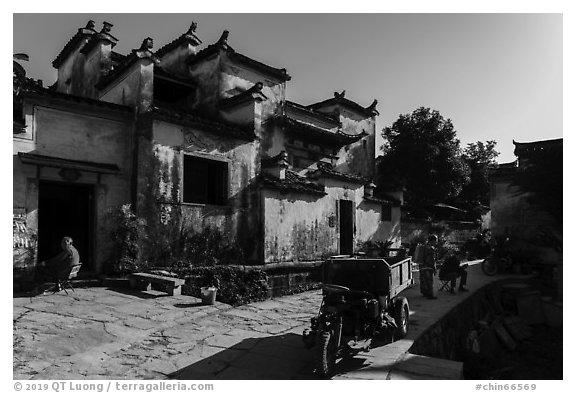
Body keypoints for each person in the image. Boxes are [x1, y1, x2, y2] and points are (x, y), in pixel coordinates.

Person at [415, 234, 439, 299]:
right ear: (433, 240)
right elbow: (432, 259)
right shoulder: (431, 248)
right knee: (429, 281)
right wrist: (434, 268)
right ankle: (430, 295)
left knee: (423, 280)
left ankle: (424, 293)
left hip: (422, 266)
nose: (437, 242)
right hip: (428, 267)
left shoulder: (424, 246)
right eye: (436, 240)